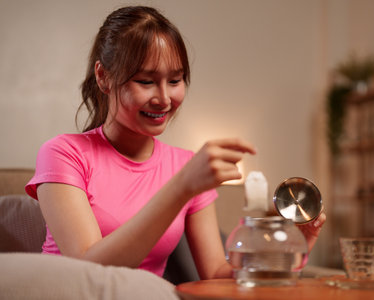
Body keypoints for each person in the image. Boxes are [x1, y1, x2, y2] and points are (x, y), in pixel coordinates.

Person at [25, 6, 326, 280]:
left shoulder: (184, 165)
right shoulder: (64, 154)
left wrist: (293, 248)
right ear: (103, 77)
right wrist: (182, 186)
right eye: (145, 81)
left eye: (175, 80)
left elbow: (216, 275)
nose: (165, 99)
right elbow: (87, 269)